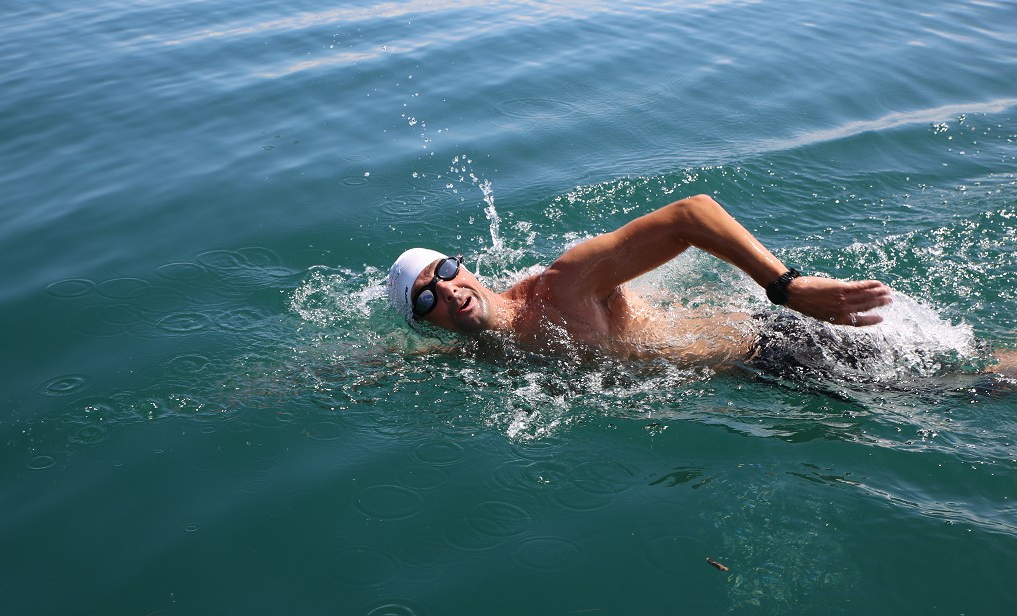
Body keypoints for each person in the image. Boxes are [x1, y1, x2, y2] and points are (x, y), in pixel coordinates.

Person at [387, 194, 1015, 375]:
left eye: (442, 272)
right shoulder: (483, 351)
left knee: (979, 384)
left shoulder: (562, 288)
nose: (444, 291)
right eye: (425, 299)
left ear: (464, 266)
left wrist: (787, 287)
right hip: (761, 370)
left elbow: (691, 216)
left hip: (781, 347)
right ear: (428, 322)